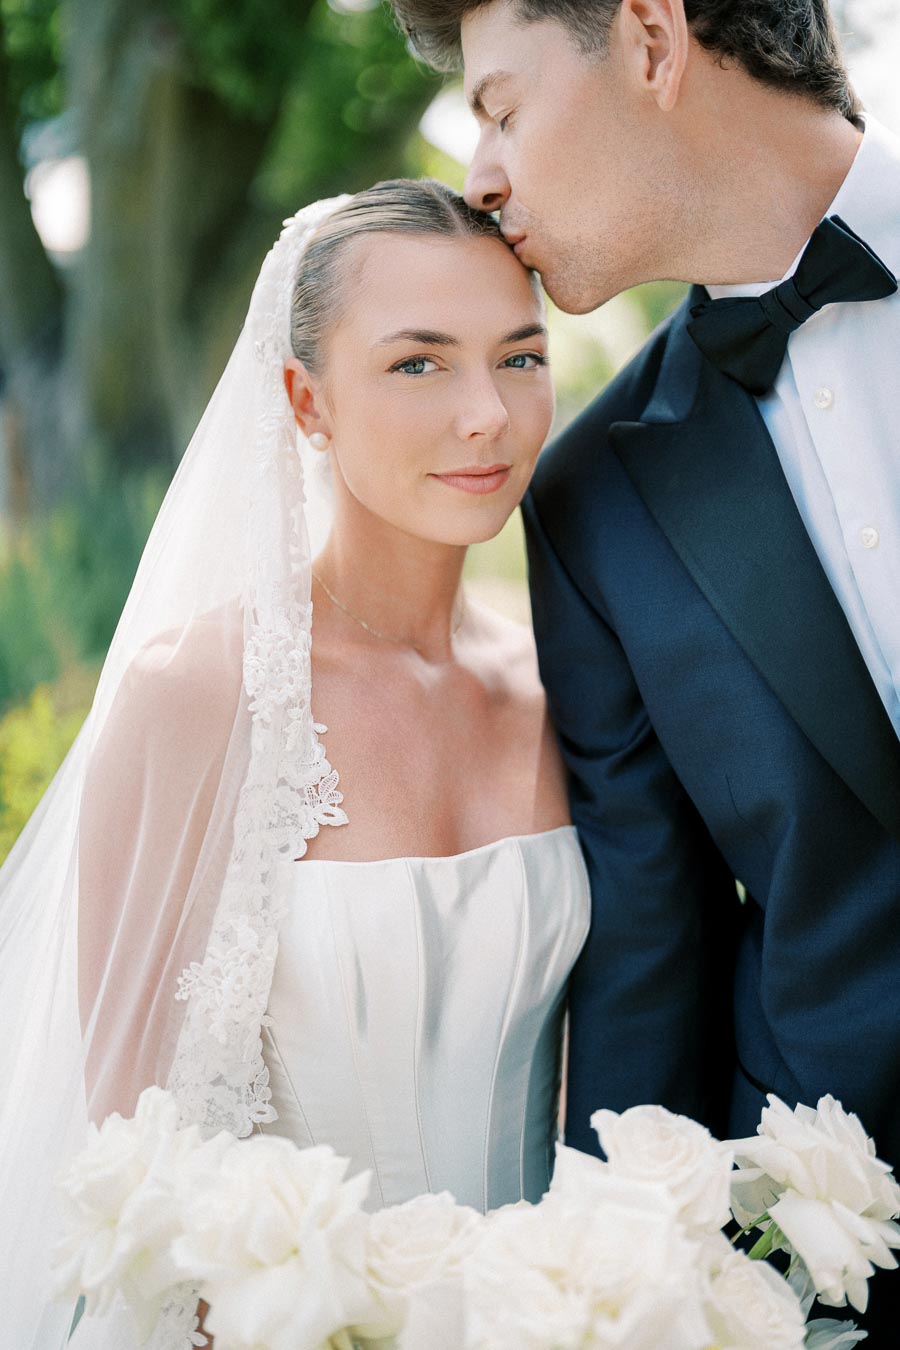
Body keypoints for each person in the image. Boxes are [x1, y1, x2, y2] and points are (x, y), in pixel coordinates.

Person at [0, 180, 590, 1349]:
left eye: (519, 359)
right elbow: (128, 1165)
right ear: (303, 401)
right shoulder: (199, 696)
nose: (488, 414)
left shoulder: (569, 689)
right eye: (418, 364)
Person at [391, 0, 900, 1339]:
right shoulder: (594, 503)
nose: (481, 173)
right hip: (850, 1250)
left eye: (501, 106)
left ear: (654, 38)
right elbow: (649, 956)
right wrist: (619, 1293)